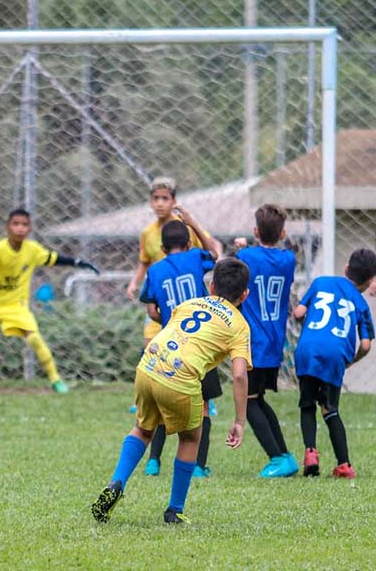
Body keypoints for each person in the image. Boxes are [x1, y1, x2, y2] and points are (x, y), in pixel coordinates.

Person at [91, 258, 251, 525]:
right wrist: (239, 421)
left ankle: (116, 483)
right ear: (244, 294)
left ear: (211, 286)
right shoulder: (239, 325)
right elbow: (238, 374)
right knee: (190, 437)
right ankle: (174, 510)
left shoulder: (188, 304)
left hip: (148, 365)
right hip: (179, 377)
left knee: (142, 428)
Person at [0, 208, 99, 394]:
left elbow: (53, 258)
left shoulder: (32, 250)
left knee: (34, 337)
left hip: (16, 306)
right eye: (16, 224)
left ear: (30, 228)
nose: (20, 228)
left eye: (25, 225)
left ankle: (56, 380)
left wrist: (78, 263)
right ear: (8, 227)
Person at [139, 220, 217, 478]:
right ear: (188, 244)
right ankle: (199, 466)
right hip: (200, 345)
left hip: (169, 345)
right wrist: (195, 224)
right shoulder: (195, 257)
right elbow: (214, 254)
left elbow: (151, 309)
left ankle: (153, 462)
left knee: (163, 406)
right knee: (203, 405)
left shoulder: (155, 270)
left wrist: (168, 320)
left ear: (162, 248)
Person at [293, 248, 376, 479]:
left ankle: (311, 453)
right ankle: (344, 465)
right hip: (335, 355)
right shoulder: (361, 304)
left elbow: (298, 312)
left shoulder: (320, 282)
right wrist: (349, 362)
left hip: (307, 349)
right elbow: (366, 345)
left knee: (307, 404)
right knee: (330, 409)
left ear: (346, 268)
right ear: (371, 281)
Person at [235, 204, 299, 477]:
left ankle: (276, 458)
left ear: (254, 231)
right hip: (274, 342)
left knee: (248, 403)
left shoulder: (245, 255)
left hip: (253, 342)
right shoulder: (289, 260)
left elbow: (240, 263)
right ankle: (284, 455)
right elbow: (270, 255)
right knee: (257, 398)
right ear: (283, 232)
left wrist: (242, 246)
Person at [125, 177, 223, 343]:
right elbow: (145, 261)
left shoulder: (184, 227)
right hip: (163, 299)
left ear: (174, 201)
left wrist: (220, 265)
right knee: (150, 348)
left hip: (187, 301)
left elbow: (213, 246)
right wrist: (134, 282)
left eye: (165, 198)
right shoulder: (147, 234)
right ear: (150, 202)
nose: (160, 203)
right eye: (156, 199)